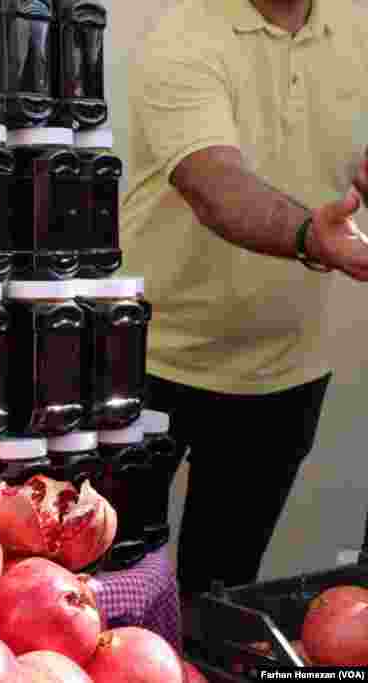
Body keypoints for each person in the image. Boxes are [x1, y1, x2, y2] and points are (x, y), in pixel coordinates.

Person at [122, 0, 368, 601]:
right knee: (114, 588)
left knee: (221, 596)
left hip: (284, 375)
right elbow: (214, 185)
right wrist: (311, 236)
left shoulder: (357, 28)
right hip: (148, 364)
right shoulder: (185, 36)